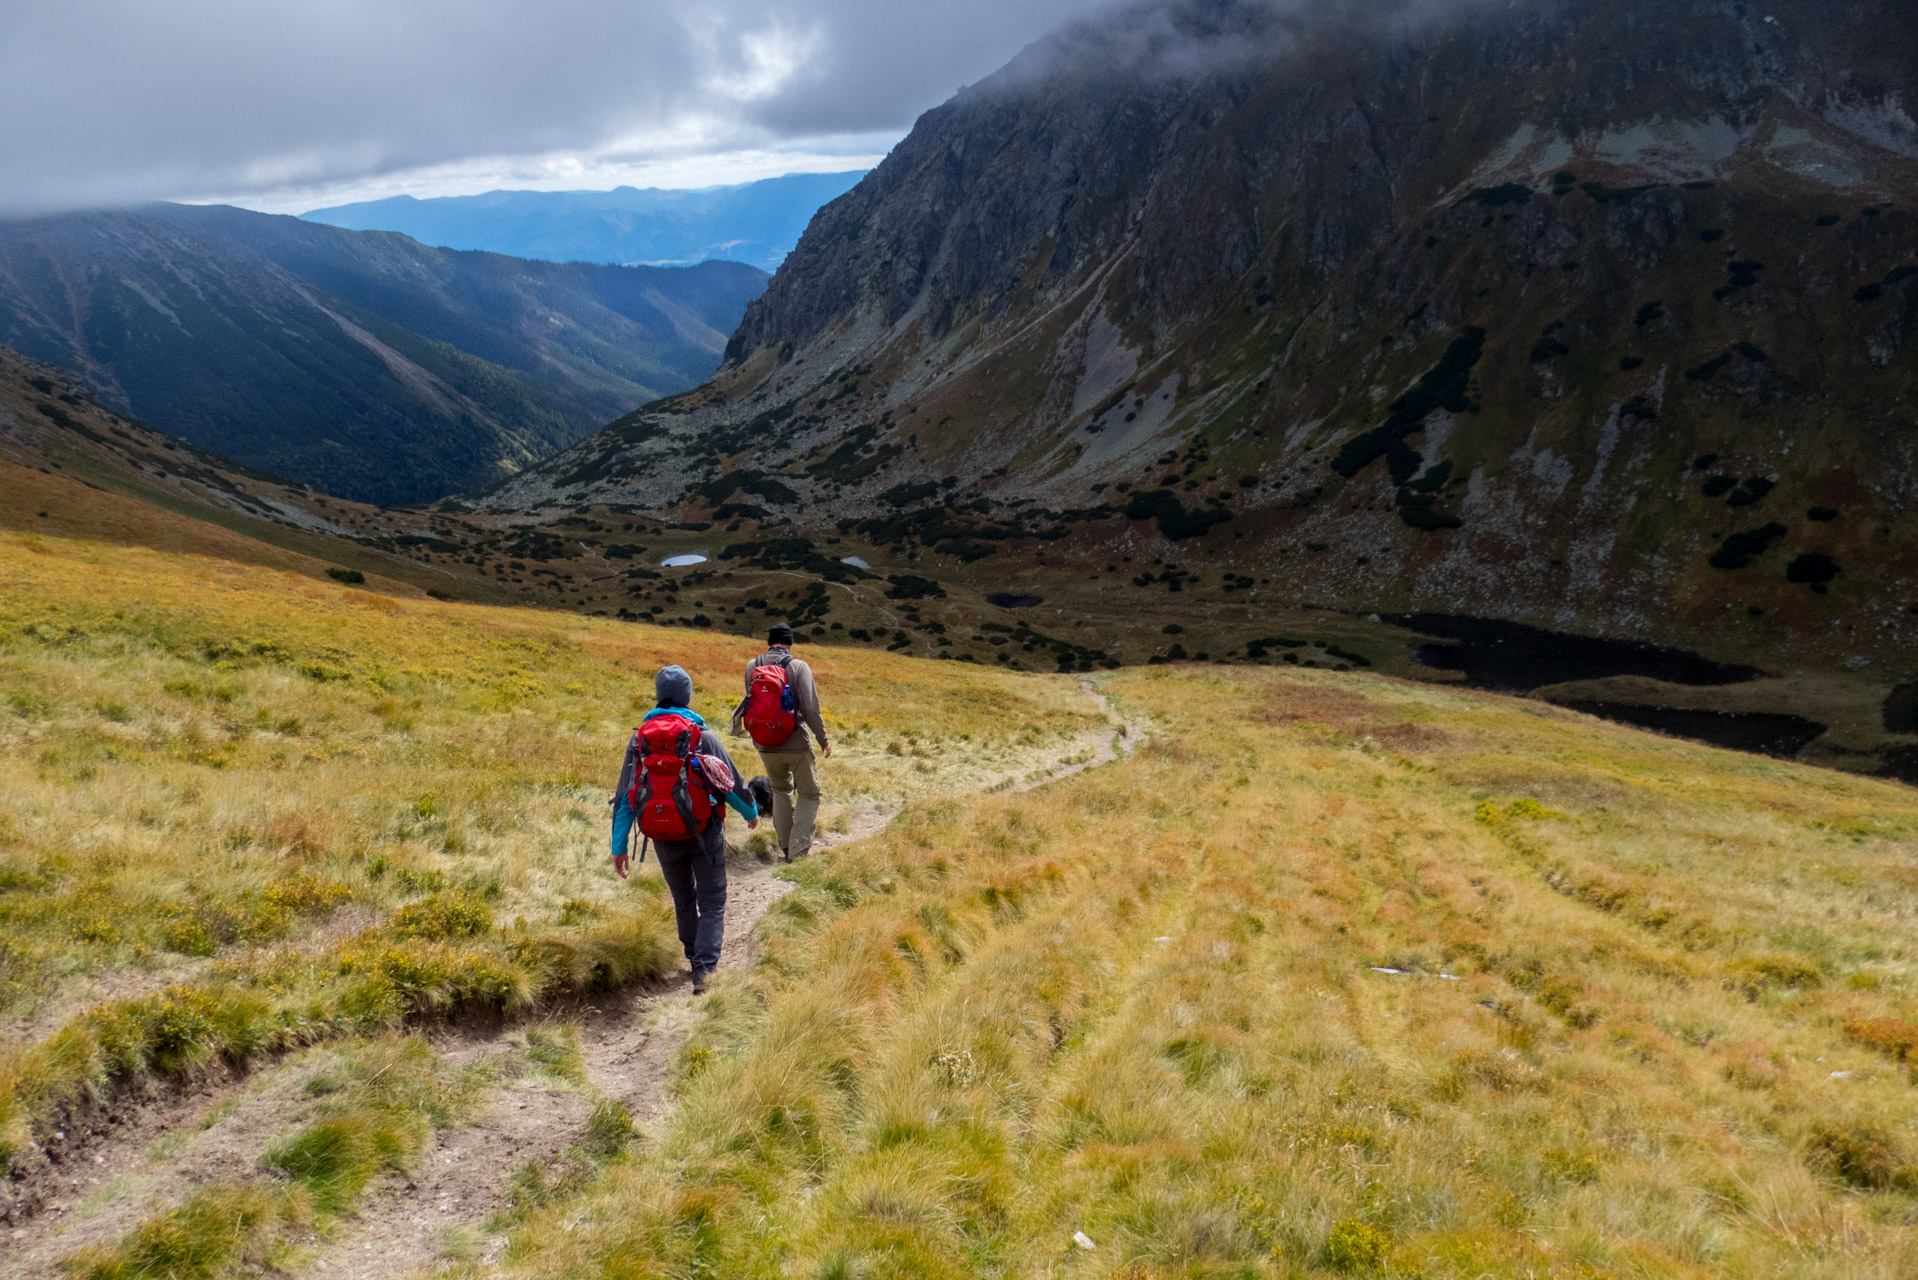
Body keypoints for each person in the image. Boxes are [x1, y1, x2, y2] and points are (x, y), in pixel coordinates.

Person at [611, 665, 757, 994]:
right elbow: (728, 783)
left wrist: (618, 846)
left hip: (661, 835)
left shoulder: (639, 740)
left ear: (658, 695)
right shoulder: (702, 737)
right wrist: (750, 811)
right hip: (704, 832)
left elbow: (625, 796)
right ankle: (704, 973)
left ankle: (693, 956)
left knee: (683, 898)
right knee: (712, 901)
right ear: (688, 697)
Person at [732, 622, 831, 861]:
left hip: (765, 744)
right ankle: (797, 853)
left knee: (780, 791)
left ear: (770, 642)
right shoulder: (799, 667)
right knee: (809, 794)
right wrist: (823, 739)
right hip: (795, 742)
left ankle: (786, 848)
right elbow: (811, 709)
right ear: (790, 643)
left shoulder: (751, 666)